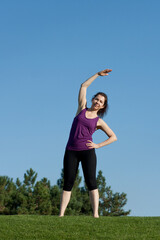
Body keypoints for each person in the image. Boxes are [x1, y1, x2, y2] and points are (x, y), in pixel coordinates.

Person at [59, 68, 117, 218]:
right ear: (92, 99)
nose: (97, 102)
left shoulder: (99, 121)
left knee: (91, 181)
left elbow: (113, 136)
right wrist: (98, 75)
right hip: (71, 150)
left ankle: (96, 215)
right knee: (68, 182)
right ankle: (61, 215)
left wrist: (98, 145)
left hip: (88, 152)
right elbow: (83, 86)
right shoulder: (81, 109)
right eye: (96, 99)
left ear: (103, 106)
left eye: (101, 101)